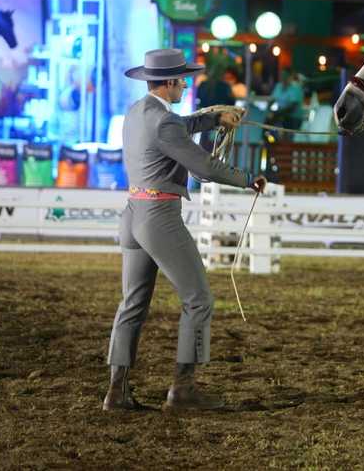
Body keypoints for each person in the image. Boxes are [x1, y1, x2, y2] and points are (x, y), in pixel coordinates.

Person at [105, 49, 267, 412]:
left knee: (132, 304)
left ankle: (116, 390)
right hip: (160, 215)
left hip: (133, 213)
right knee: (199, 300)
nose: (185, 84)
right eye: (182, 79)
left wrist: (213, 118)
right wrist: (246, 179)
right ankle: (183, 388)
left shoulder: (137, 112)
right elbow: (204, 167)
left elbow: (179, 127)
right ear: (170, 82)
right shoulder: (165, 122)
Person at [195, 60, 235, 152]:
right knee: (217, 148)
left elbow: (198, 98)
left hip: (205, 119)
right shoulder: (225, 86)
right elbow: (231, 103)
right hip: (219, 120)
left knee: (204, 146)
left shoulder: (203, 85)